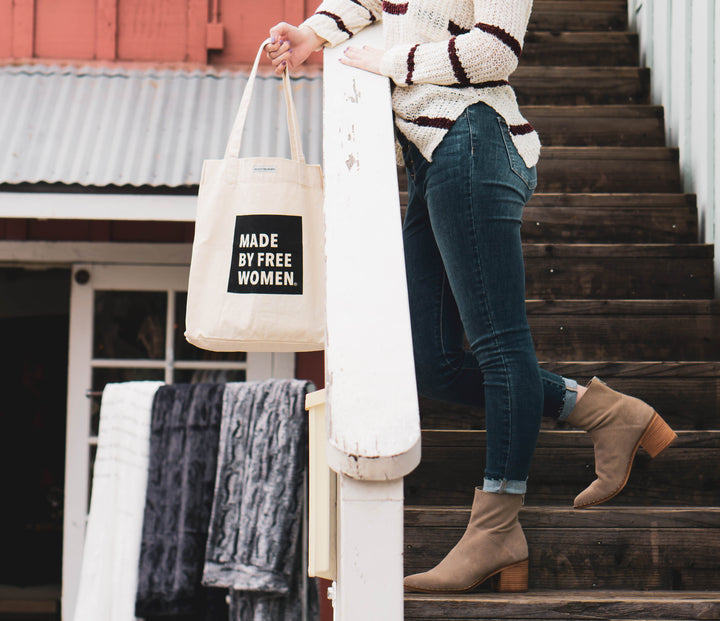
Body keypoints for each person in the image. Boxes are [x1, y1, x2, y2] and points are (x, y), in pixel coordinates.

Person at [266, 0, 678, 594]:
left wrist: (387, 61)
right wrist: (309, 33)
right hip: (430, 155)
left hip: (472, 135)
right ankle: (606, 413)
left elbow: (493, 51)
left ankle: (497, 529)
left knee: (499, 344)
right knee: (430, 364)